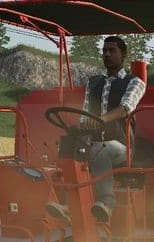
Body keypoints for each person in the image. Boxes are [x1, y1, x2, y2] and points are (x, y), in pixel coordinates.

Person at [46, 35, 146, 223]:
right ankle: (69, 205)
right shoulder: (93, 83)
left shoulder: (135, 82)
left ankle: (106, 203)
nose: (107, 54)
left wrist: (101, 119)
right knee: (70, 147)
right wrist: (79, 127)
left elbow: (126, 107)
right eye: (104, 51)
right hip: (94, 143)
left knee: (101, 149)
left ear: (123, 54)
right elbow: (85, 114)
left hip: (122, 147)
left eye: (112, 50)